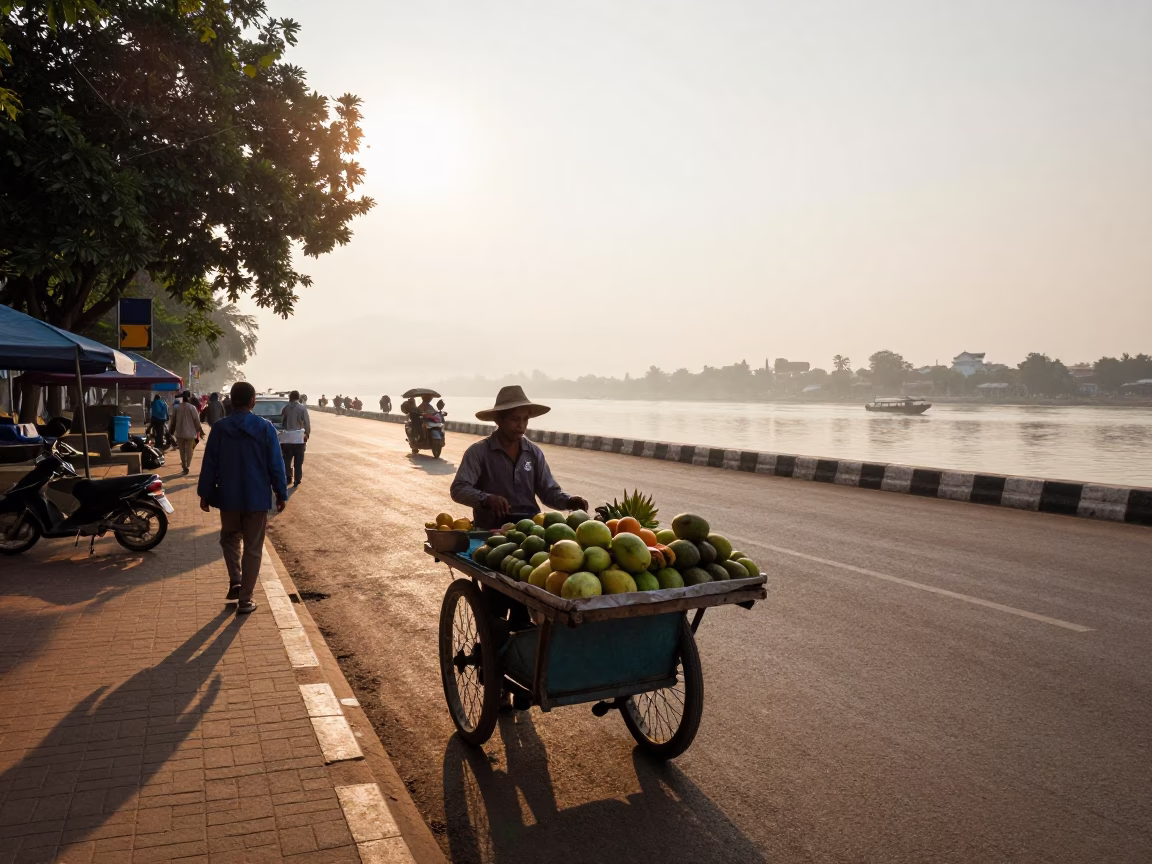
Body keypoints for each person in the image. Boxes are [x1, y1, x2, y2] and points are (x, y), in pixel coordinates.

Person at [198, 381, 289, 614]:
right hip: (257, 497)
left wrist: (205, 493)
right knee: (253, 548)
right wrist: (281, 493)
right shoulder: (265, 428)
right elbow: (276, 465)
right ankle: (246, 600)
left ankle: (236, 579)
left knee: (229, 538)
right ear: (253, 401)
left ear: (231, 401)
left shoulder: (220, 428)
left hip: (228, 496)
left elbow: (210, 463)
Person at [451, 385, 588, 529]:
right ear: (499, 421)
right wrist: (486, 499)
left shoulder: (534, 453)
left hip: (530, 527)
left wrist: (569, 501)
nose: (521, 425)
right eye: (515, 419)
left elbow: (548, 492)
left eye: (525, 419)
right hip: (491, 529)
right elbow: (459, 489)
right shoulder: (478, 452)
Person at [279, 390, 311, 487]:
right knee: (298, 460)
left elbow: (283, 423)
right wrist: (307, 434)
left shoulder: (285, 408)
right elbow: (307, 423)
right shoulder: (302, 408)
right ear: (298, 398)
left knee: (287, 459)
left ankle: (288, 476)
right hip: (299, 438)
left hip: (287, 438)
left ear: (290, 397)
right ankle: (297, 479)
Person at [169, 391, 204, 474]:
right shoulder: (192, 407)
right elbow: (196, 420)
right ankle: (187, 465)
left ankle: (184, 465)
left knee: (182, 450)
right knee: (189, 450)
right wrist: (200, 431)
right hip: (190, 433)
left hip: (179, 432)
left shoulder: (177, 407)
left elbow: (173, 420)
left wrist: (171, 431)